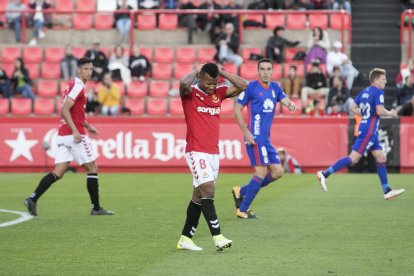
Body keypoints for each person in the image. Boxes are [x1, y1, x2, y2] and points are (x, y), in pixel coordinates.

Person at [23, 58, 114, 216]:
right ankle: (96, 208)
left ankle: (32, 198)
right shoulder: (78, 86)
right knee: (92, 168)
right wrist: (76, 130)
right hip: (74, 135)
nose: (89, 72)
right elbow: (65, 109)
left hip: (63, 135)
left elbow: (74, 111)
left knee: (58, 172)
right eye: (86, 69)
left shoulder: (74, 85)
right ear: (78, 70)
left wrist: (87, 125)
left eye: (91, 69)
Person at [177, 63, 248, 251]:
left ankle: (185, 238)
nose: (212, 86)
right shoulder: (190, 93)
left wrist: (221, 71)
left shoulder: (218, 92)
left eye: (215, 83)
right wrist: (196, 69)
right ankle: (218, 237)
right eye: (208, 83)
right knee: (208, 190)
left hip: (213, 153)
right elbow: (183, 84)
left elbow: (244, 85)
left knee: (199, 196)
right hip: (195, 150)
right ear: (200, 78)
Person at [317, 68, 405, 200]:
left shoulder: (363, 92)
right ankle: (325, 174)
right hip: (369, 130)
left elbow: (352, 108)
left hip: (368, 129)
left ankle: (387, 190)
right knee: (353, 159)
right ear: (376, 80)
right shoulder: (378, 91)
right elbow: (380, 111)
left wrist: (365, 115)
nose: (385, 81)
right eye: (383, 79)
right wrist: (391, 113)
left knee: (381, 158)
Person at [232, 58, 298, 219]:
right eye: (262, 69)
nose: (266, 72)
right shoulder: (251, 87)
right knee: (260, 172)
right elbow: (237, 109)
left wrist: (290, 105)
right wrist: (246, 132)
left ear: (272, 71)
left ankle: (241, 191)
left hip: (266, 140)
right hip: (254, 138)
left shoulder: (275, 87)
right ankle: (243, 209)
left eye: (269, 69)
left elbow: (285, 100)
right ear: (258, 70)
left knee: (278, 172)